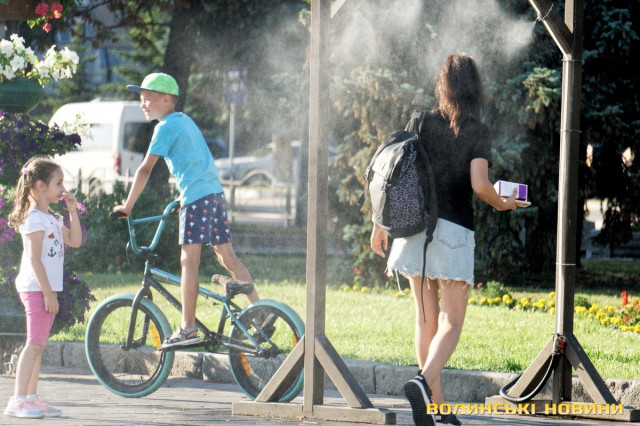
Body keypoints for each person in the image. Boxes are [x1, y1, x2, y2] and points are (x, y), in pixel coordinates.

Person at [370, 53, 529, 426]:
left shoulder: (421, 121)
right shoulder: (476, 130)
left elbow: (393, 173)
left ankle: (436, 407)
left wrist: (379, 224)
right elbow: (480, 186)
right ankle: (423, 382)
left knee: (425, 319)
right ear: (475, 89)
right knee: (452, 321)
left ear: (443, 86)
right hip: (454, 231)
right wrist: (504, 203)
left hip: (413, 229)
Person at [114, 72, 258, 349]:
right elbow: (196, 161)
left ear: (167, 100)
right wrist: (184, 196)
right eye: (141, 99)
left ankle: (188, 327)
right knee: (227, 256)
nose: (143, 104)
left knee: (188, 261)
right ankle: (259, 310)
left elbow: (144, 169)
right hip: (213, 194)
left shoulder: (165, 127)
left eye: (148, 99)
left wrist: (128, 206)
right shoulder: (185, 121)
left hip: (196, 197)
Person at [4, 157, 83, 419]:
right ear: (40, 186)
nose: (63, 189)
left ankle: (31, 398)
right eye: (58, 183)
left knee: (38, 344)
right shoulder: (34, 219)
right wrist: (48, 293)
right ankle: (17, 400)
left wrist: (72, 211)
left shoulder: (52, 217)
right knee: (34, 344)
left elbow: (75, 241)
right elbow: (34, 259)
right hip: (36, 289)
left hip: (45, 289)